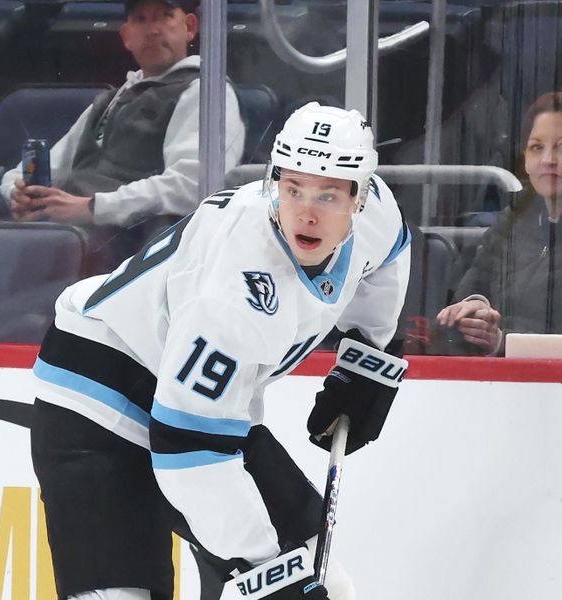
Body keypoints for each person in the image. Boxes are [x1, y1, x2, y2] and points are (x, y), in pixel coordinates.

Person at [29, 102, 411, 600]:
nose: (307, 212)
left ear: (360, 197)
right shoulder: (236, 292)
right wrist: (265, 567)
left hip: (198, 403)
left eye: (328, 195)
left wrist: (367, 357)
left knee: (328, 585)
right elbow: (190, 451)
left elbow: (388, 260)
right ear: (274, 181)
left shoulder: (378, 214)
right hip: (99, 397)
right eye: (293, 189)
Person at [0, 0, 245, 270]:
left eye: (164, 16)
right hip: (61, 222)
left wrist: (91, 207)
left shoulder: (205, 91)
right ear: (127, 36)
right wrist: (19, 193)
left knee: (39, 240)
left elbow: (194, 186)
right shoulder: (111, 99)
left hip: (116, 237)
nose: (153, 29)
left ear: (189, 26)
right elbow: (54, 165)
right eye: (141, 19)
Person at [436, 91, 562, 355]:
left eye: (561, 147)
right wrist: (474, 307)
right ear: (525, 160)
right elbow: (473, 285)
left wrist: (502, 342)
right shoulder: (513, 219)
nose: (548, 160)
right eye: (537, 147)